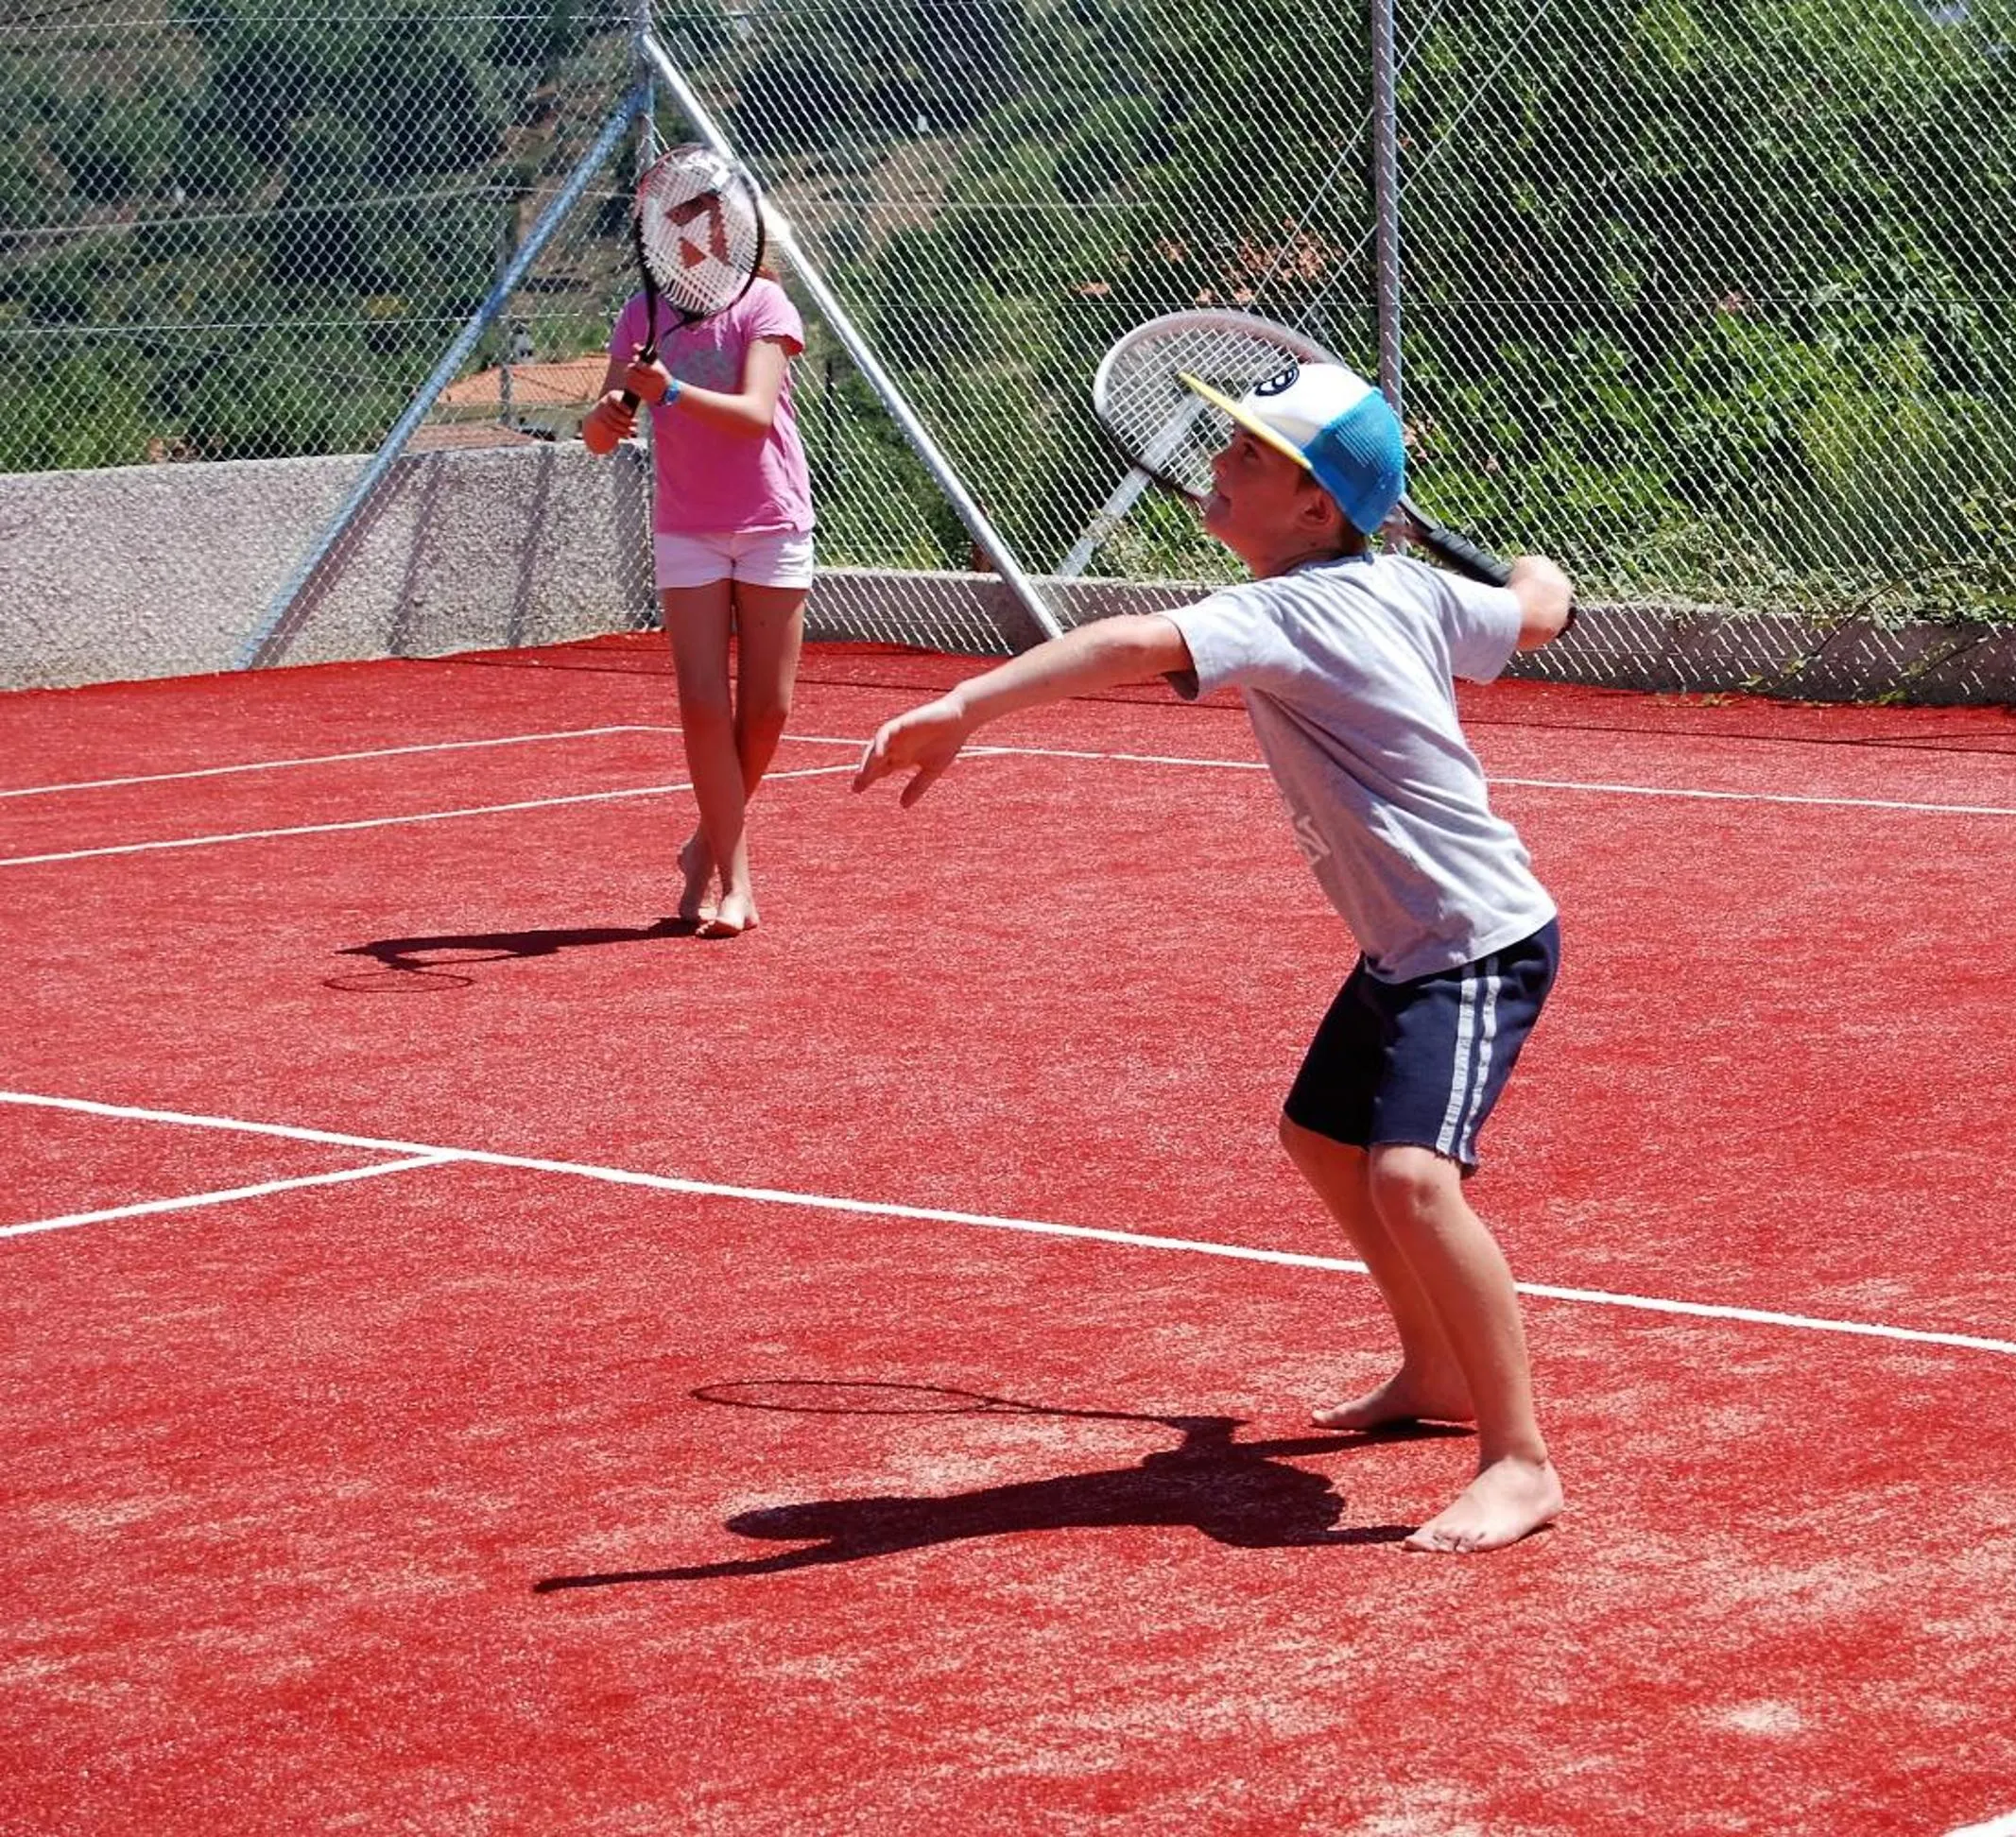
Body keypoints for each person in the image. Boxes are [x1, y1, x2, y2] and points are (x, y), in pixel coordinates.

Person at [853, 362, 1575, 1554]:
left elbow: (1131, 640)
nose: (1216, 465)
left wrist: (968, 705)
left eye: (1249, 455)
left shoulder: (1287, 613)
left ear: (1316, 507)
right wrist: (1541, 574)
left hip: (1469, 943)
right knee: (1320, 1139)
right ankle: (1437, 1369)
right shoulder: (1406, 586)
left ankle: (1519, 1460)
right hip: (1411, 942)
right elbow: (1533, 614)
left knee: (1410, 1178)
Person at [580, 242, 815, 936]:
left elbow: (755, 413)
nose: (686, 233)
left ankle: (704, 847)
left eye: (701, 216)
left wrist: (672, 391)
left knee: (767, 712)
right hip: (687, 528)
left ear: (730, 230)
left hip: (771, 521)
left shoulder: (764, 304)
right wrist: (605, 417)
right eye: (672, 216)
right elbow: (599, 435)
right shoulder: (641, 314)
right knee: (704, 704)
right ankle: (737, 885)